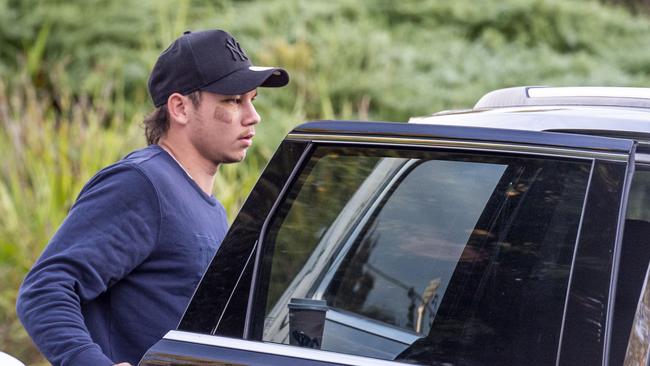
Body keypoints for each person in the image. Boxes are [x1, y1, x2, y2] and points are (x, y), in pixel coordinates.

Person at [16, 29, 289, 366]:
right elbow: (44, 290)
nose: (253, 116)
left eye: (252, 99)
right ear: (180, 108)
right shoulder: (141, 184)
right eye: (232, 101)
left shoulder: (210, 209)